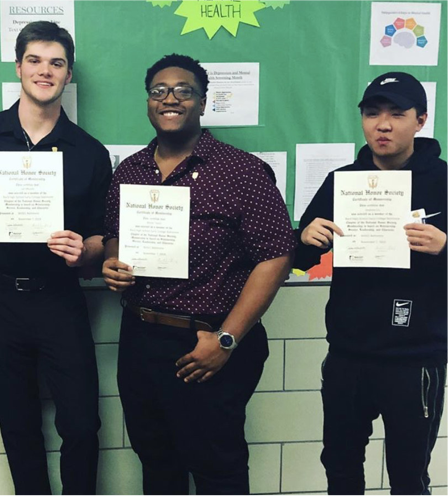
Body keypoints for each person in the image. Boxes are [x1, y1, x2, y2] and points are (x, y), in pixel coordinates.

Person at [102, 54, 295, 495]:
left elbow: (277, 257)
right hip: (140, 339)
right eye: (159, 91)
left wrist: (227, 339)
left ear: (203, 102)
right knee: (157, 462)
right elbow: (115, 235)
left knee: (217, 468)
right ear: (148, 102)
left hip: (208, 345)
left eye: (183, 90)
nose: (170, 99)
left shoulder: (241, 171)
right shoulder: (129, 171)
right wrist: (113, 262)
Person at [0, 21, 111, 496]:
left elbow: (100, 239)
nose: (44, 70)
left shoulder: (91, 153)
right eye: (34, 60)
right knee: (18, 425)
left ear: (68, 74)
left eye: (56, 62)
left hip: (60, 296)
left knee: (81, 425)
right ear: (18, 67)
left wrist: (84, 252)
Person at [295, 72, 447, 496]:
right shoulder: (342, 181)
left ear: (420, 121)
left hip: (415, 358)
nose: (383, 124)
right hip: (347, 354)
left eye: (397, 114)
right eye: (372, 113)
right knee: (340, 467)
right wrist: (304, 239)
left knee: (408, 474)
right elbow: (300, 254)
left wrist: (445, 246)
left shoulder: (442, 181)